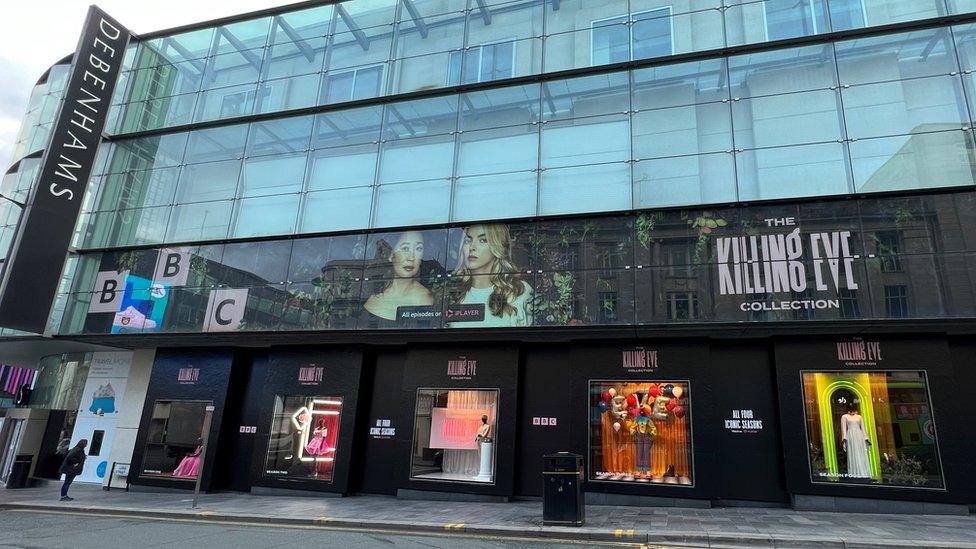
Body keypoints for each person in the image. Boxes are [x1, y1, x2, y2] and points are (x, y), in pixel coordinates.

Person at [450, 223, 532, 327]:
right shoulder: (453, 293)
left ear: (497, 245)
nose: (472, 247)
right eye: (468, 240)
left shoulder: (519, 291)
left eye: (483, 240)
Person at [363, 231, 434, 325]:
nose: (411, 257)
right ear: (391, 255)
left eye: (418, 248)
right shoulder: (373, 291)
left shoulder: (424, 299)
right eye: (405, 248)